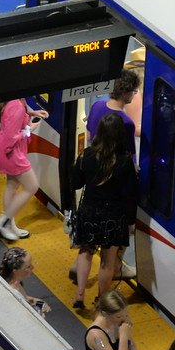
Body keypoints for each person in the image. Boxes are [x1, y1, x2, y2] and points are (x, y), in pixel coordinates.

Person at [70, 115, 139, 311]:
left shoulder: (87, 155)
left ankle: (80, 294)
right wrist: (130, 221)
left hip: (89, 211)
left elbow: (75, 183)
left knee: (85, 251)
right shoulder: (125, 162)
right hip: (114, 215)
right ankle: (101, 299)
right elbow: (131, 195)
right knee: (108, 262)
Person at [0, 93, 44, 240]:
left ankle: (8, 224)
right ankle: (3, 221)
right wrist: (30, 128)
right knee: (32, 186)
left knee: (12, 185)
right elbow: (10, 138)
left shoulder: (17, 100)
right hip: (11, 152)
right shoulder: (17, 106)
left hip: (10, 150)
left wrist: (32, 113)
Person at [85, 69, 141, 140]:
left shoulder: (96, 106)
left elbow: (89, 135)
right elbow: (129, 150)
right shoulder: (127, 122)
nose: (135, 93)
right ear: (125, 93)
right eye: (134, 91)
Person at [0, 246, 49, 314]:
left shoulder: (15, 282)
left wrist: (37, 301)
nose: (33, 267)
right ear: (15, 271)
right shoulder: (13, 292)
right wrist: (39, 313)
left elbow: (24, 298)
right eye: (28, 267)